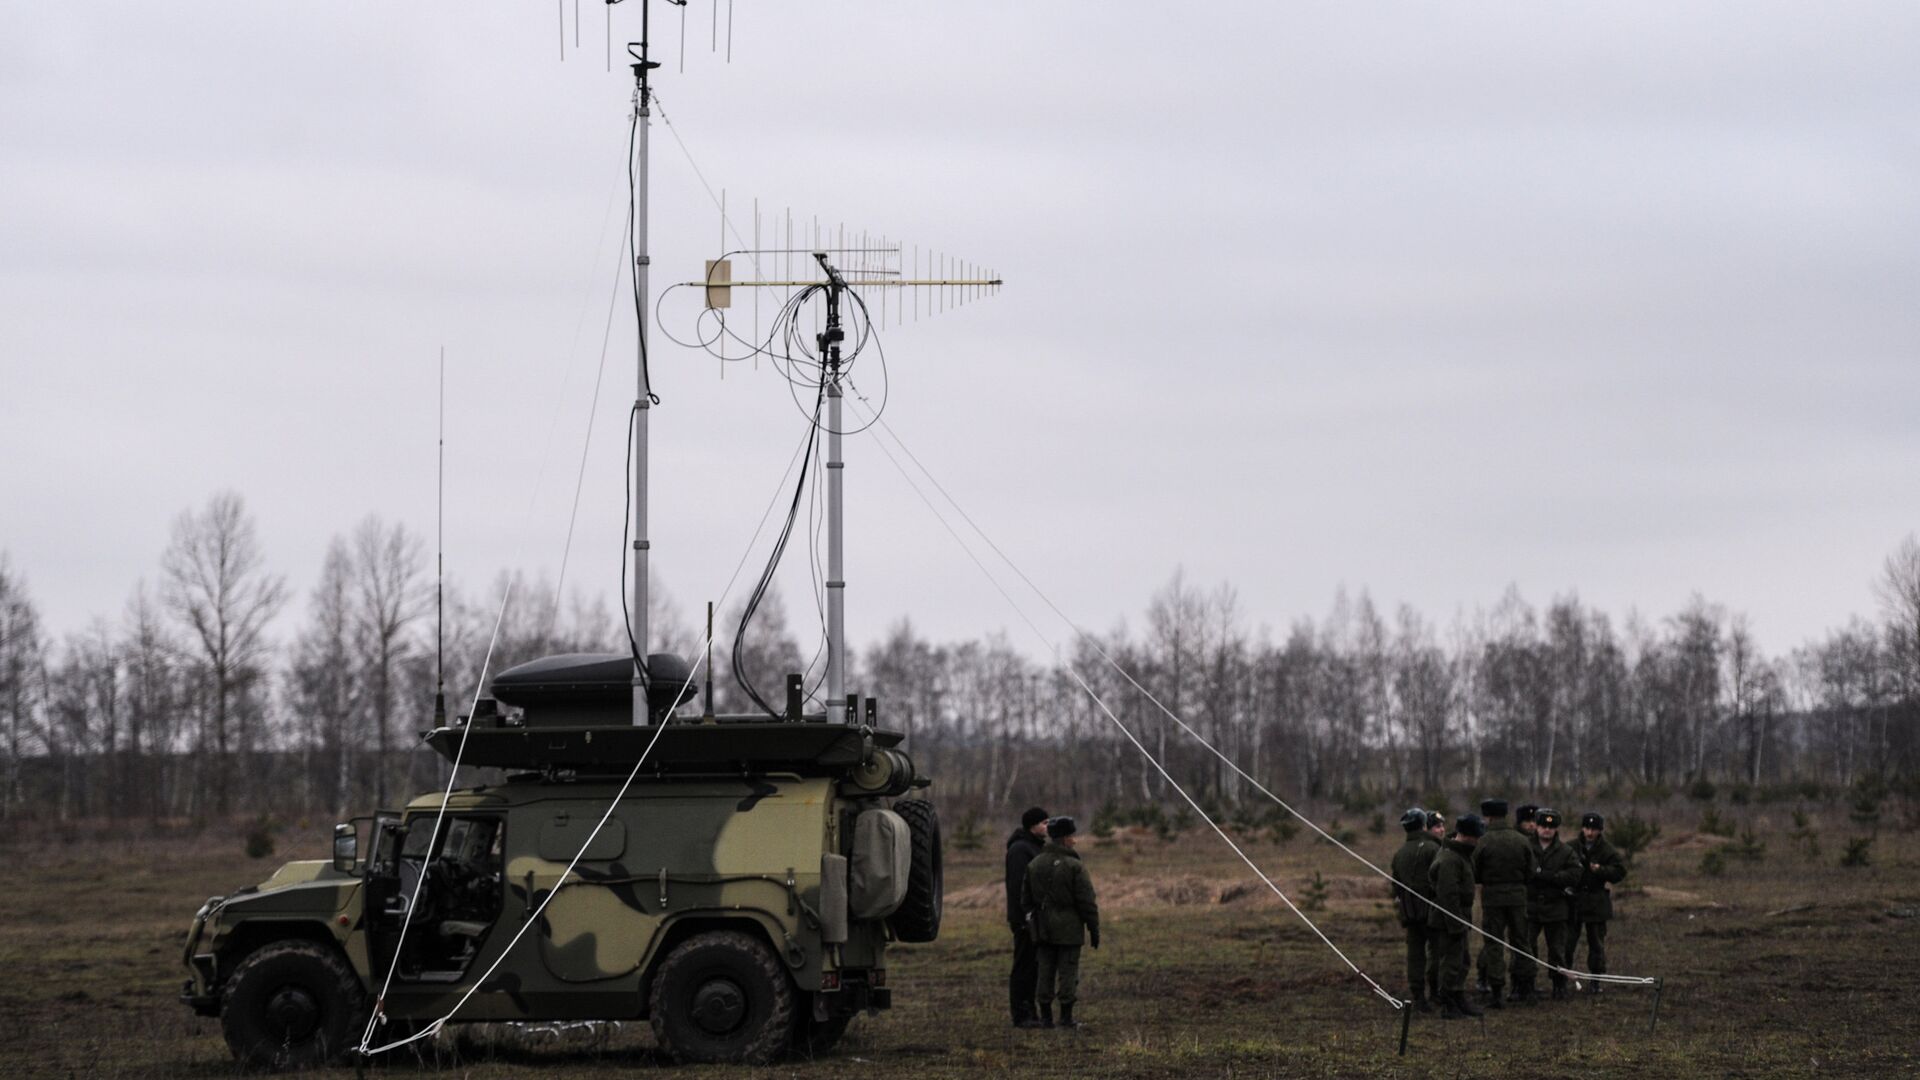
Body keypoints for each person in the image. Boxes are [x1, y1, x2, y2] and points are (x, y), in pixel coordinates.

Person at [1024, 815, 1100, 1029]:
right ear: (1064, 838)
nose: (1074, 841)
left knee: (1044, 972)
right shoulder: (1074, 866)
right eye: (1071, 836)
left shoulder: (1034, 864)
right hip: (1069, 928)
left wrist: (1034, 924)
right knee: (1068, 972)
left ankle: (1046, 1018)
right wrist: (1093, 928)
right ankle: (1066, 1018)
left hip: (1042, 929)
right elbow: (1087, 901)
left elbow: (1025, 900)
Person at [1470, 798, 1535, 1008]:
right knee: (1521, 942)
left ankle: (1497, 990)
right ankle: (1525, 986)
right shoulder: (1522, 840)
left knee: (1494, 943)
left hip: (1492, 899)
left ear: (1488, 817)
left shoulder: (1483, 841)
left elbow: (1474, 872)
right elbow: (1530, 871)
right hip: (1518, 897)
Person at [1517, 807, 1580, 1002]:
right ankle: (1525, 985)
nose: (1546, 830)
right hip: (1530, 905)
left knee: (1557, 950)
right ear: (1536, 826)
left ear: (1556, 829)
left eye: (1551, 827)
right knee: (1525, 947)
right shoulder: (1525, 846)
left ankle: (1559, 985)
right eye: (1543, 825)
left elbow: (1575, 874)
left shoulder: (1565, 851)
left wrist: (1553, 878)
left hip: (1555, 907)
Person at [1428, 813, 1485, 1018]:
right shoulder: (1450, 859)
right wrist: (1455, 924)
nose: (1478, 840)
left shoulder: (1461, 854)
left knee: (1462, 960)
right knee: (1451, 962)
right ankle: (1448, 1002)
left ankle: (1458, 996)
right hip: (1448, 920)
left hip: (1460, 916)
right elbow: (1447, 896)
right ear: (1465, 835)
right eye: (1476, 836)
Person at [1389, 808, 1442, 1012]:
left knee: (1415, 954)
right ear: (1423, 826)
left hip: (1409, 911)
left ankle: (1418, 995)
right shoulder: (1433, 848)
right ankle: (1435, 992)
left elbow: (1396, 885)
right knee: (1436, 951)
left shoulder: (1400, 853)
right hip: (1431, 909)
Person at [1570, 811, 1628, 992]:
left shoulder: (1606, 850)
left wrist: (1601, 870)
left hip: (1596, 901)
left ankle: (1596, 980)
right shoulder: (1571, 847)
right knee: (1567, 942)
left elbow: (1619, 872)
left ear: (1600, 831)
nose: (1589, 833)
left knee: (1596, 943)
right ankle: (1562, 979)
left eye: (1593, 829)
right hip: (1574, 900)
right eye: (1587, 828)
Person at [1004, 806, 1049, 1027]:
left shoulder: (1033, 847)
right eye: (1044, 823)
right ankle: (1021, 1014)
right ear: (1033, 825)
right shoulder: (1021, 850)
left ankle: (1030, 1012)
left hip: (1033, 917)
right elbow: (1018, 885)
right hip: (1025, 919)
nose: (1047, 827)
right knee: (1024, 966)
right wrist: (1025, 916)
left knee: (1033, 966)